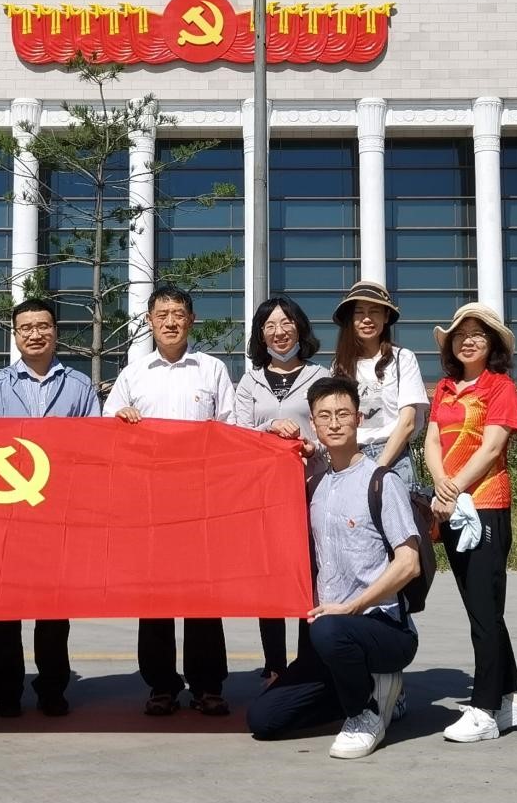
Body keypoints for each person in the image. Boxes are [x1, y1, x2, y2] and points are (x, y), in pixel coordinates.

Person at [247, 376, 421, 759]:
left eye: (343, 414)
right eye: (324, 416)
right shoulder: (317, 485)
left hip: (381, 628)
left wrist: (352, 606)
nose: (335, 423)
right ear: (313, 423)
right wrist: (273, 432)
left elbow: (409, 563)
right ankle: (372, 691)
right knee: (263, 719)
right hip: (331, 636)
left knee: (327, 629)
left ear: (359, 419)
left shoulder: (381, 481)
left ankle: (365, 714)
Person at [104, 284, 237, 717]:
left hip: (201, 501)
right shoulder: (133, 374)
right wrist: (121, 419)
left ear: (192, 320)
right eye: (161, 315)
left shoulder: (212, 370)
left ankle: (208, 685)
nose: (170, 322)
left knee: (203, 596)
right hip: (150, 503)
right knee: (155, 597)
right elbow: (105, 432)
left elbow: (230, 431)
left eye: (178, 314)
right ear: (149, 321)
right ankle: (161, 685)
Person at [0, 297, 101, 717]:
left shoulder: (80, 387)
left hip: (58, 515)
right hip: (6, 514)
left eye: (43, 326)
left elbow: (93, 450)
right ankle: (6, 690)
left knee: (54, 609)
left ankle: (52, 688)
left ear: (55, 332)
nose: (35, 334)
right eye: (25, 327)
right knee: (2, 609)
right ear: (15, 334)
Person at [426, 303, 517, 742]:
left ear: (492, 345)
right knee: (479, 608)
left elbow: (491, 449)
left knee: (485, 612)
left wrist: (453, 488)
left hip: (485, 505)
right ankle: (511, 698)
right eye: (460, 334)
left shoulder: (500, 387)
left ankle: (485, 709)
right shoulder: (445, 388)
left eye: (478, 334)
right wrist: (441, 484)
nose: (468, 340)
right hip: (452, 507)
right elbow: (432, 440)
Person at [232, 295, 331, 683]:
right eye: (270, 325)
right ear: (261, 335)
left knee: (311, 575)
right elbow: (239, 435)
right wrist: (267, 429)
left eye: (286, 323)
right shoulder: (249, 381)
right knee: (271, 577)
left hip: (313, 488)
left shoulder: (321, 377)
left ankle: (309, 662)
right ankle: (274, 665)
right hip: (267, 495)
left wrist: (312, 447)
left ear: (300, 329)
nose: (279, 332)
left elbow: (333, 430)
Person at [329, 280, 429, 484]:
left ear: (386, 317)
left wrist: (378, 467)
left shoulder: (403, 358)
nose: (367, 319)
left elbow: (408, 422)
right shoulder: (339, 366)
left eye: (374, 311)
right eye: (359, 312)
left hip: (394, 458)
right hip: (351, 457)